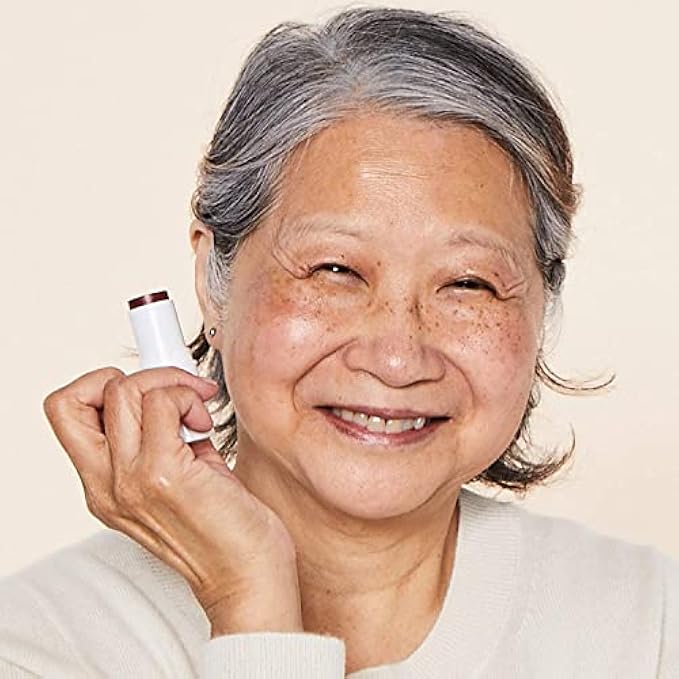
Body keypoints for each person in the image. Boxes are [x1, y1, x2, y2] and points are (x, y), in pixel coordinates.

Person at [0, 7, 676, 678]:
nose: (397, 357)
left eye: (467, 283)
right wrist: (250, 601)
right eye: (334, 270)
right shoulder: (35, 646)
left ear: (542, 306)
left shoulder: (651, 628)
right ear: (212, 281)